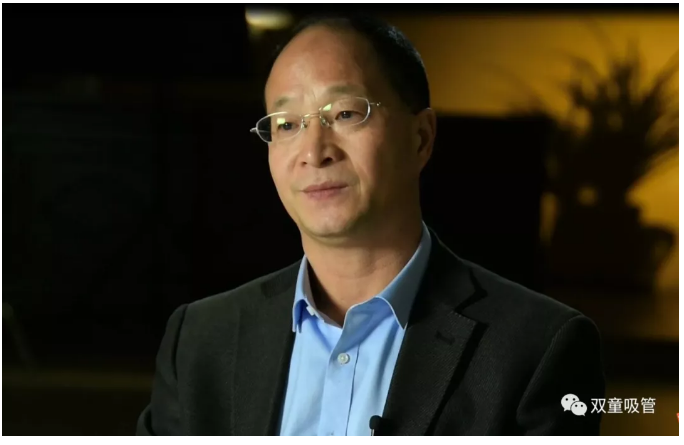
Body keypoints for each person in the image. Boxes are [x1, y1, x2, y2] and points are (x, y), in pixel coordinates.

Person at [137, 13, 605, 436]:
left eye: (345, 114)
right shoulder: (201, 339)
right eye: (287, 124)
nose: (314, 151)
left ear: (421, 138)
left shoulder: (536, 347)